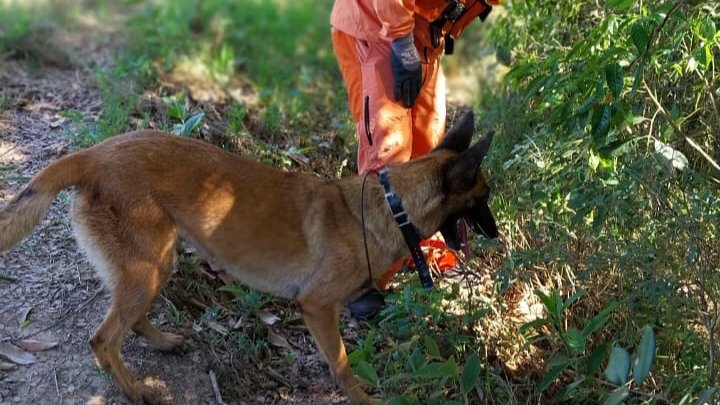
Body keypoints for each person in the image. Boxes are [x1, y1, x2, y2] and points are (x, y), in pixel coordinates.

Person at [331, 0, 500, 319]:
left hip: (425, 37)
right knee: (388, 156)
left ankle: (418, 248)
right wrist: (401, 42)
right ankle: (362, 279)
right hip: (378, 27)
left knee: (430, 154)